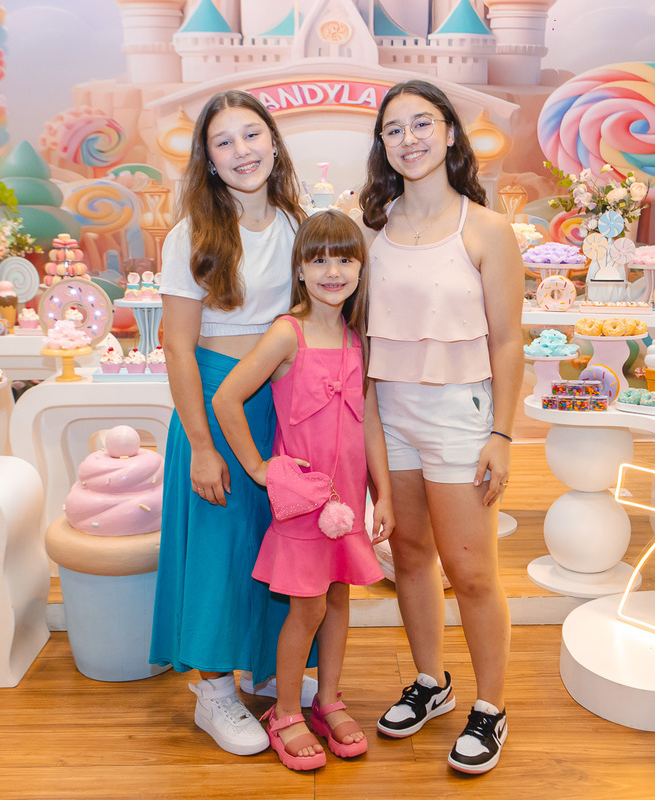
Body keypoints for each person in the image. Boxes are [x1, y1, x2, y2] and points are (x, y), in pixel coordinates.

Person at [358, 79, 522, 774]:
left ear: (450, 132)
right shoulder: (371, 231)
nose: (410, 139)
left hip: (461, 416)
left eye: (422, 123)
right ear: (383, 145)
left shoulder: (486, 229)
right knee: (409, 557)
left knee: (472, 571)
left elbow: (508, 341)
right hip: (390, 413)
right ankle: (431, 682)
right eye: (394, 129)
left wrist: (502, 435)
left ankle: (491, 707)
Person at [150, 89, 313, 756]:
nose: (242, 151)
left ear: (273, 142)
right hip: (216, 400)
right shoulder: (191, 236)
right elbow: (178, 347)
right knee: (218, 547)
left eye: (252, 135)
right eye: (224, 141)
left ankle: (266, 669)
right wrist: (199, 444)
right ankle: (214, 692)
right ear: (209, 160)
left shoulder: (300, 226)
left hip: (283, 400)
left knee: (275, 544)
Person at [212, 210, 394, 772]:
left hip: (348, 501)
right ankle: (286, 712)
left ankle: (328, 700)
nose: (332, 272)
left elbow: (369, 422)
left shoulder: (359, 339)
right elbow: (226, 397)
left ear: (361, 269)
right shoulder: (286, 333)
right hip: (301, 502)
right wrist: (259, 467)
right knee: (307, 605)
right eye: (319, 260)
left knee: (338, 597)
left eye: (344, 259)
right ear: (300, 271)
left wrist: (383, 494)